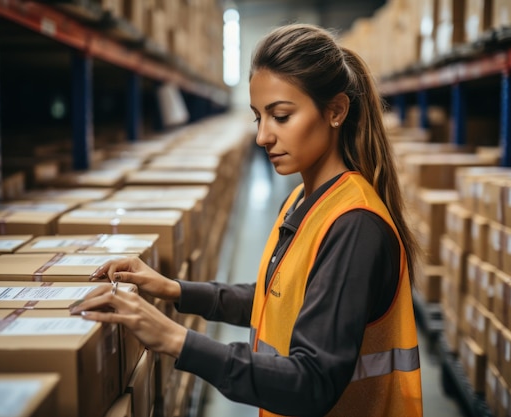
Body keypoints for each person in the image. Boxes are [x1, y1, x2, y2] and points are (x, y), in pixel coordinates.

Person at [70, 23, 423, 417]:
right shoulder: (303, 200)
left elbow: (311, 384)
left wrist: (175, 339)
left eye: (282, 116)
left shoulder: (354, 225)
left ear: (336, 111)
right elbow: (275, 298)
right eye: (259, 118)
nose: (263, 137)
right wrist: (172, 289)